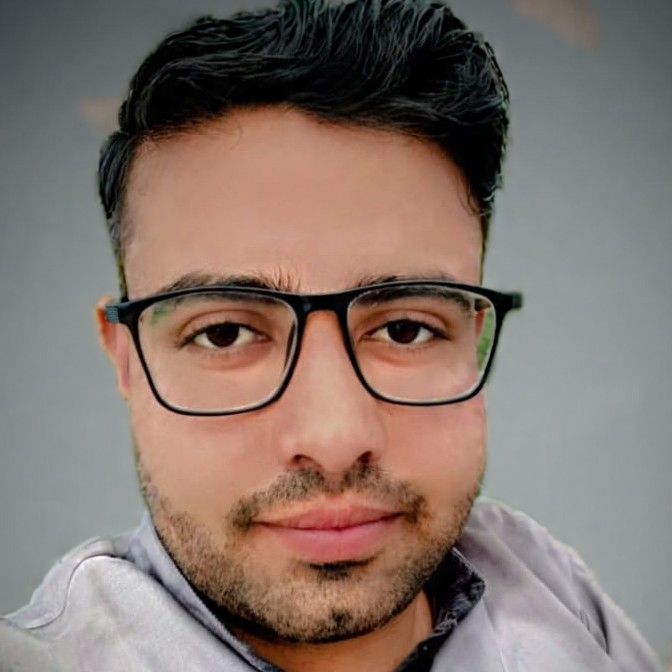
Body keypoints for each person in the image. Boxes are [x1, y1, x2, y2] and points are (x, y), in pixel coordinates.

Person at [0, 0, 663, 670]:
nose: (335, 439)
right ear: (127, 361)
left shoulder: (549, 589)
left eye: (406, 328)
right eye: (225, 333)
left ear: (474, 337)